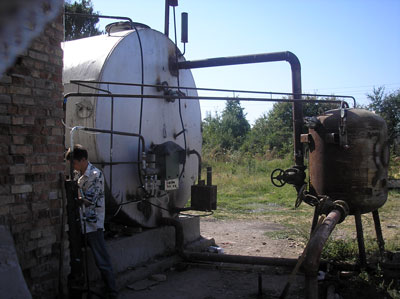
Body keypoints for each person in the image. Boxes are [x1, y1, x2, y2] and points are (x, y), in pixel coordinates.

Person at [66, 144, 117, 298]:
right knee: (78, 258)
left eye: (74, 162)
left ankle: (112, 291)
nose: (73, 166)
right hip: (80, 223)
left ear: (83, 160)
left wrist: (76, 196)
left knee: (101, 259)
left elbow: (90, 201)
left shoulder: (96, 174)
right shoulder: (77, 174)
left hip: (93, 224)